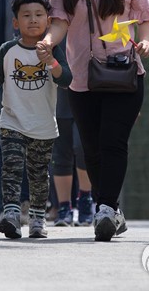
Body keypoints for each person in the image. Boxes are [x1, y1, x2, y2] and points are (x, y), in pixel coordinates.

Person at [37, 0, 149, 242]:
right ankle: (112, 210)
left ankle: (104, 208)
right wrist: (48, 42)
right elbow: (60, 22)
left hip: (124, 74)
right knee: (89, 149)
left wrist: (145, 42)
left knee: (112, 142)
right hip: (82, 77)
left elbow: (146, 17)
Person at [0, 0, 72, 239]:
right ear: (16, 22)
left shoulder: (52, 50)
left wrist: (51, 62)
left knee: (38, 174)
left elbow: (66, 79)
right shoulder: (7, 50)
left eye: (38, 15)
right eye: (26, 15)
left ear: (48, 21)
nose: (33, 20)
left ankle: (37, 217)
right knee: (11, 168)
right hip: (11, 121)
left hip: (43, 124)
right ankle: (11, 215)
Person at [52, 64, 94, 227]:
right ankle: (64, 207)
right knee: (60, 153)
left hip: (86, 91)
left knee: (82, 147)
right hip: (58, 94)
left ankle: (85, 200)